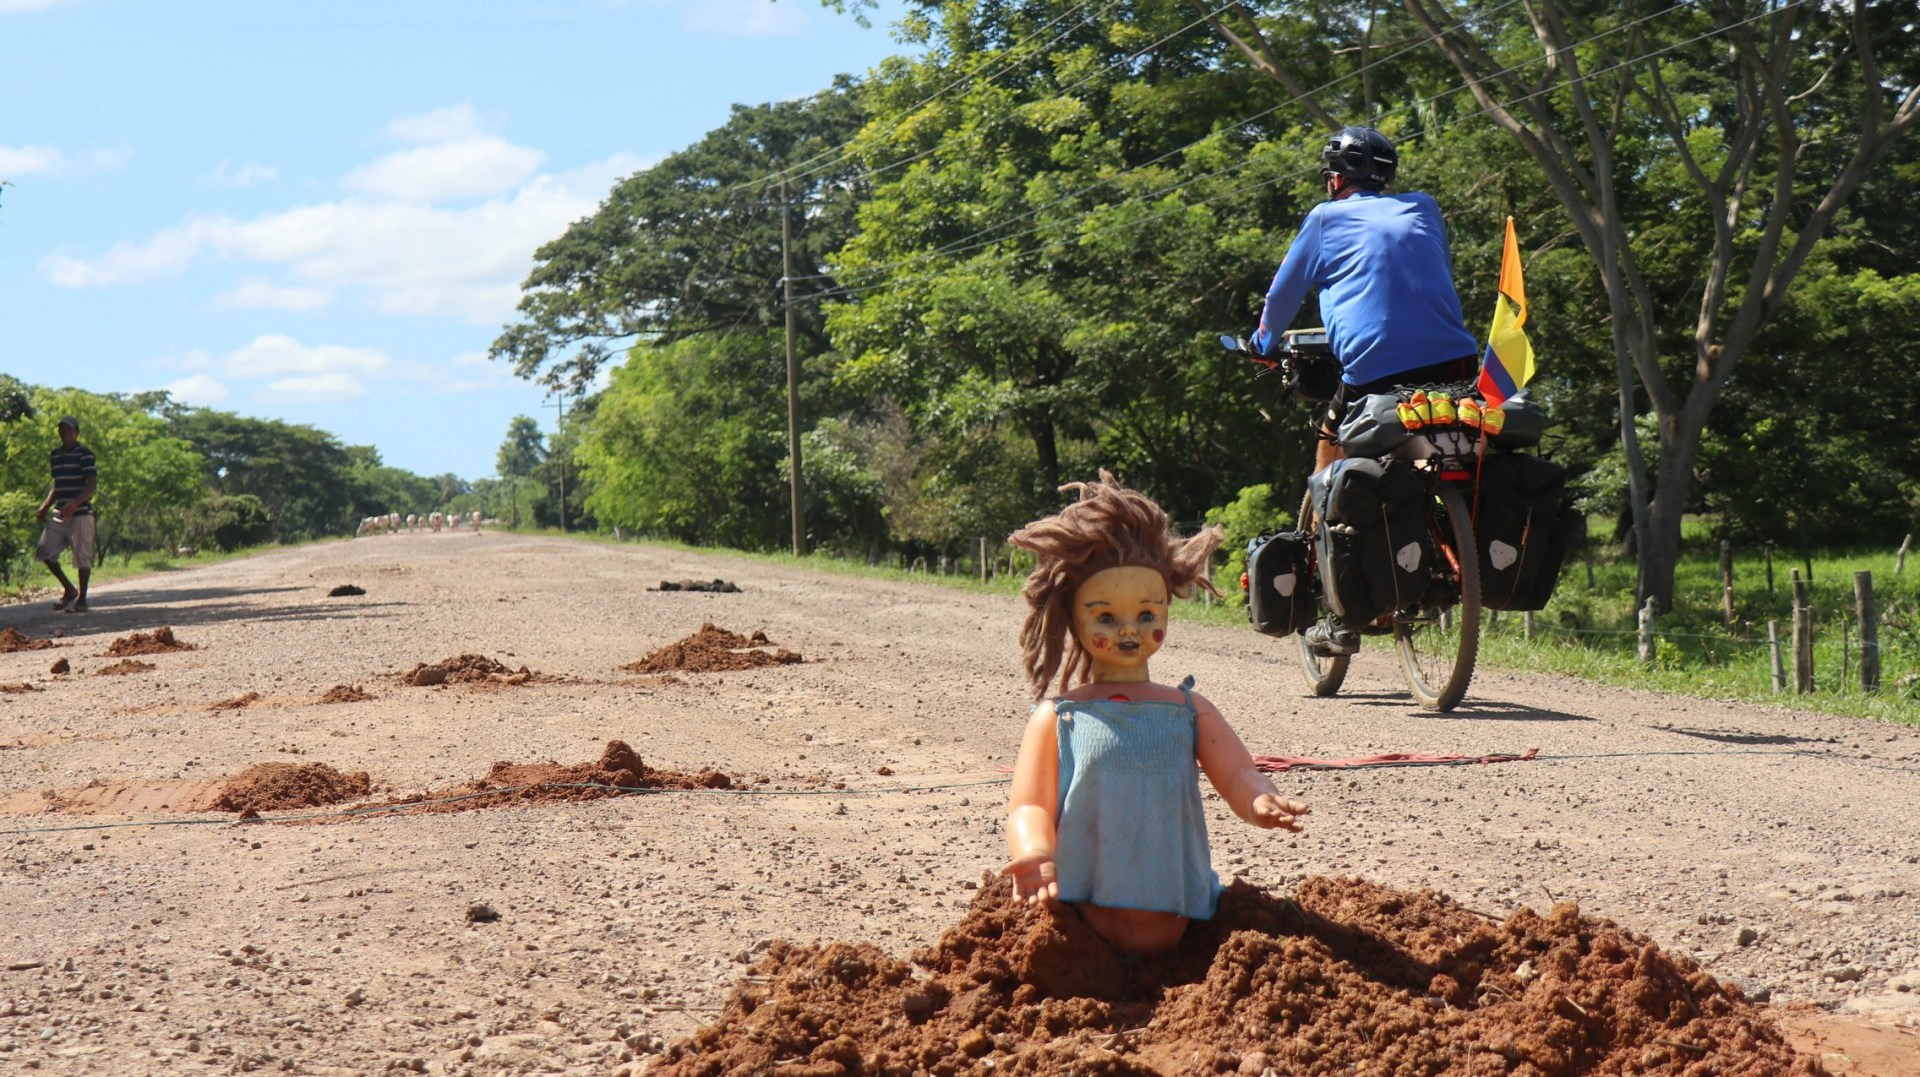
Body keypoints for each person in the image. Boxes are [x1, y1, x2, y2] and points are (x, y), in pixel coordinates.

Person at [1001, 471, 1309, 954]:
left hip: (1183, 930)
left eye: (1147, 615)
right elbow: (1029, 805)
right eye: (1105, 617)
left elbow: (1237, 773)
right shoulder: (1058, 717)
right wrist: (1034, 850)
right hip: (1081, 934)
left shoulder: (1189, 711)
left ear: (1166, 608)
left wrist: (1259, 799)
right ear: (1072, 616)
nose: (1129, 630)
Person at [1250, 125, 1480, 655]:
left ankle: (1341, 615)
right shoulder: (1424, 207)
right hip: (1457, 361)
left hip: (1373, 370)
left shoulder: (1324, 219)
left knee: (1333, 461)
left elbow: (1281, 297)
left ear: (1334, 179)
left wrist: (1263, 343)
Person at [36, 415, 97, 613]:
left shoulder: (85, 454)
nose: (66, 433)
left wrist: (75, 502)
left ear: (76, 433)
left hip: (80, 513)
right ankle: (70, 590)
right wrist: (45, 506)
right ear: (59, 432)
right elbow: (57, 485)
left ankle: (83, 600)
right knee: (45, 551)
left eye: (70, 430)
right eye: (63, 429)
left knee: (82, 556)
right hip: (60, 512)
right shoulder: (55, 455)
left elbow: (92, 484)